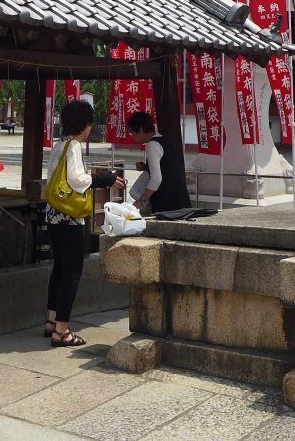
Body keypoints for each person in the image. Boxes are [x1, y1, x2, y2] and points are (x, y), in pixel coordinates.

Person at [44, 101, 123, 347]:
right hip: (70, 218)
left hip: (53, 215)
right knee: (72, 272)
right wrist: (105, 179)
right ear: (85, 125)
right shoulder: (74, 146)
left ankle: (51, 321)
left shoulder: (59, 145)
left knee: (59, 269)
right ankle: (62, 331)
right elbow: (77, 180)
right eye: (89, 124)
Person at [127, 112, 190, 213]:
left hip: (166, 201)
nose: (132, 136)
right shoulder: (165, 141)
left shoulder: (152, 145)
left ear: (141, 130)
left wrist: (141, 200)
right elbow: (167, 167)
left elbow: (156, 179)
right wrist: (146, 167)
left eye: (132, 133)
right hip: (180, 197)